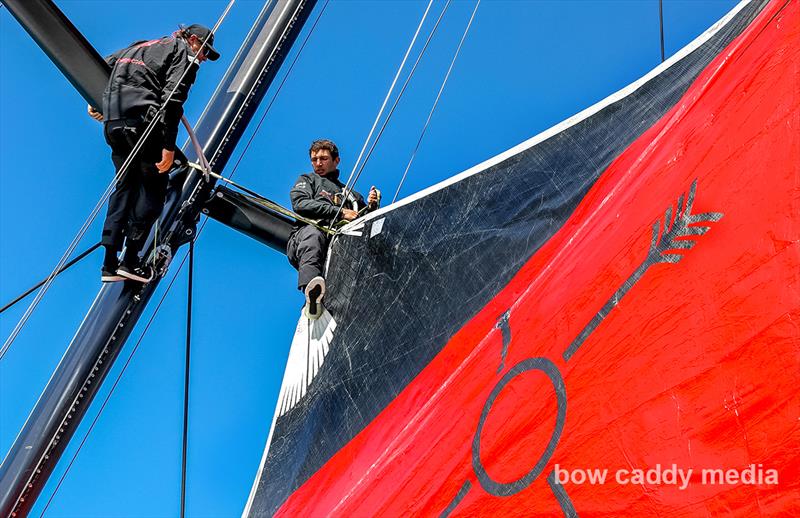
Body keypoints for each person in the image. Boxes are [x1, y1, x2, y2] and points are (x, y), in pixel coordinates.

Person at [88, 24, 220, 283]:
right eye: (204, 51)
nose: (203, 58)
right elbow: (172, 101)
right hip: (142, 125)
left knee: (124, 188)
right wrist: (169, 149)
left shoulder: (140, 44)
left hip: (114, 124)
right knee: (153, 190)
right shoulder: (181, 52)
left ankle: (109, 263)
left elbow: (104, 66)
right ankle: (131, 261)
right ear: (192, 40)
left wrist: (97, 103)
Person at [287, 139, 380, 319]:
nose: (318, 164)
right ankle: (311, 295)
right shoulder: (308, 180)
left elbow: (364, 222)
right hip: (305, 237)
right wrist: (339, 213)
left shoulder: (351, 195)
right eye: (314, 160)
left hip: (337, 245)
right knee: (313, 234)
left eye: (323, 159)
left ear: (336, 160)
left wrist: (372, 206)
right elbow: (300, 204)